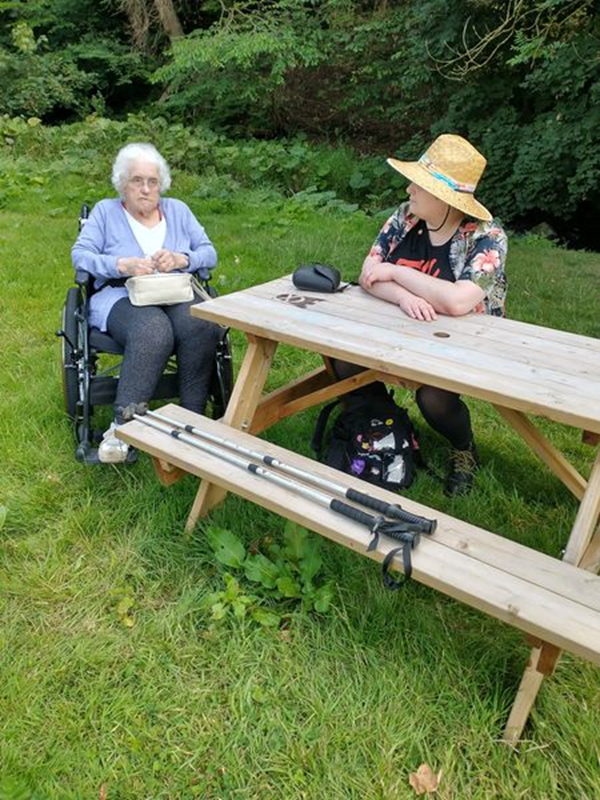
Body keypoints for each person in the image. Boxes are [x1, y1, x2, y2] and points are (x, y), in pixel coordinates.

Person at [358, 133, 508, 495]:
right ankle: (386, 423)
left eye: (418, 185)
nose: (409, 190)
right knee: (344, 361)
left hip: (464, 341)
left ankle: (463, 449)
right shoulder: (404, 218)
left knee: (433, 396)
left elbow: (458, 303)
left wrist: (398, 273)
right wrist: (401, 298)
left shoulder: (488, 238)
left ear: (443, 198)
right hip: (404, 326)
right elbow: (367, 274)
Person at [72, 142, 221, 463]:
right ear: (122, 184)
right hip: (120, 295)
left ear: (161, 185)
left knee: (202, 323)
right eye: (137, 181)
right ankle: (123, 429)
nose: (145, 189)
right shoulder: (106, 212)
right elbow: (80, 256)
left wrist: (183, 257)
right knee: (153, 330)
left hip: (175, 291)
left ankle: (192, 422)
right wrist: (121, 265)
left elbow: (209, 252)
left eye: (152, 182)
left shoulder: (178, 210)